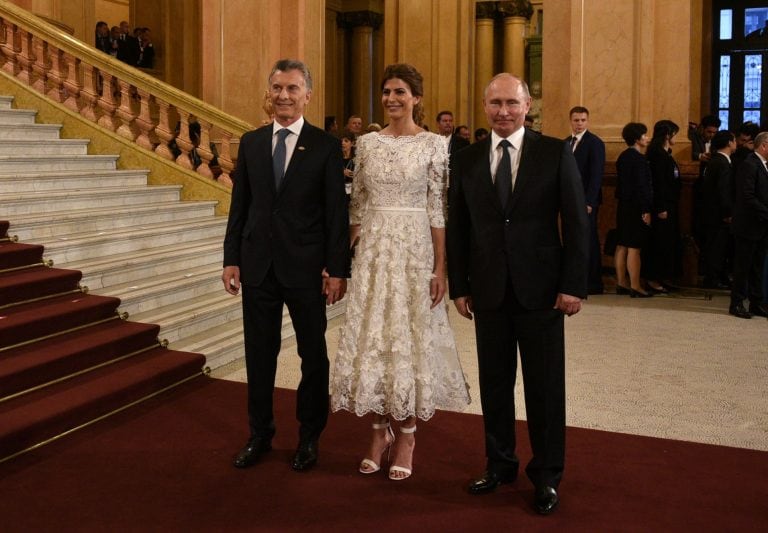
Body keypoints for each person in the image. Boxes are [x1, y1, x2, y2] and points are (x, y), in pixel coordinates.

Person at [447, 73, 588, 515]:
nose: (503, 111)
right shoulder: (467, 159)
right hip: (487, 291)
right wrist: (460, 286)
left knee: (545, 389)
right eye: (495, 103)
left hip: (542, 291)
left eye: (511, 103)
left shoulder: (554, 152)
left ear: (527, 106)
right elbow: (459, 226)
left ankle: (547, 475)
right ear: (485, 107)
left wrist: (572, 285)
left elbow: (576, 222)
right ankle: (499, 464)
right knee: (494, 385)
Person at [331, 63, 470, 482]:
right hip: (374, 252)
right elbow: (358, 205)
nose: (392, 99)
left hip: (414, 252)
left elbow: (437, 209)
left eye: (401, 92)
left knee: (408, 340)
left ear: (417, 98)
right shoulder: (368, 144)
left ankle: (407, 434)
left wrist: (440, 268)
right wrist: (339, 261)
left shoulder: (435, 145)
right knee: (373, 340)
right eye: (387, 92)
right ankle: (378, 432)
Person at [222, 59, 350, 472]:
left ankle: (309, 436)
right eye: (277, 87)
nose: (283, 96)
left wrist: (337, 268)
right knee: (260, 355)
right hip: (258, 266)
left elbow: (336, 213)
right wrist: (231, 259)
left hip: (307, 269)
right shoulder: (252, 142)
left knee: (313, 355)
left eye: (292, 89)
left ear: (307, 96)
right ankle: (260, 433)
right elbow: (240, 206)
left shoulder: (326, 146)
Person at [728, 131, 768, 319]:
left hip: (761, 225)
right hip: (748, 224)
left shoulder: (763, 165)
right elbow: (747, 196)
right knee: (743, 266)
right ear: (764, 146)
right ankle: (736, 303)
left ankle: (756, 302)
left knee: (757, 266)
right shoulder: (749, 164)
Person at [567, 106, 606, 294]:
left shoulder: (595, 143)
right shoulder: (566, 143)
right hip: (569, 201)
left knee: (588, 239)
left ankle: (593, 282)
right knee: (573, 239)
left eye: (583, 120)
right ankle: (576, 279)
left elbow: (596, 175)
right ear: (571, 121)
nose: (579, 123)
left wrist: (589, 202)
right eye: (576, 120)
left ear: (587, 121)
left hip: (586, 202)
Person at [614, 122, 653, 297]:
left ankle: (621, 282)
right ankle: (635, 286)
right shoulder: (639, 159)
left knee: (622, 244)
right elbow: (642, 186)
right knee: (634, 247)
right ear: (637, 138)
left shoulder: (623, 157)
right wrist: (646, 209)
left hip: (623, 205)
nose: (647, 138)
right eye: (644, 135)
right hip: (636, 207)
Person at [645, 120, 681, 293]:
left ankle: (664, 276)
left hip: (670, 203)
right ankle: (653, 278)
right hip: (662, 205)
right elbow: (658, 183)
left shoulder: (665, 153)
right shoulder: (657, 154)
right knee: (659, 243)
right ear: (667, 134)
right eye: (674, 133)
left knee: (667, 243)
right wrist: (660, 207)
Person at [700, 130, 736, 289]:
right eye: (734, 140)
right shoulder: (722, 162)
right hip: (718, 214)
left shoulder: (714, 160)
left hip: (710, 212)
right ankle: (713, 279)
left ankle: (715, 276)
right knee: (717, 247)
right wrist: (728, 213)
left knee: (715, 245)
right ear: (729, 143)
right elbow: (723, 190)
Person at [340, 128, 356, 198]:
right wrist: (342, 172)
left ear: (352, 143)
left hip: (353, 192)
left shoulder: (356, 158)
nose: (342, 143)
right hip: (339, 191)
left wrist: (355, 174)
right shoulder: (335, 158)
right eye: (341, 141)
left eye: (346, 141)